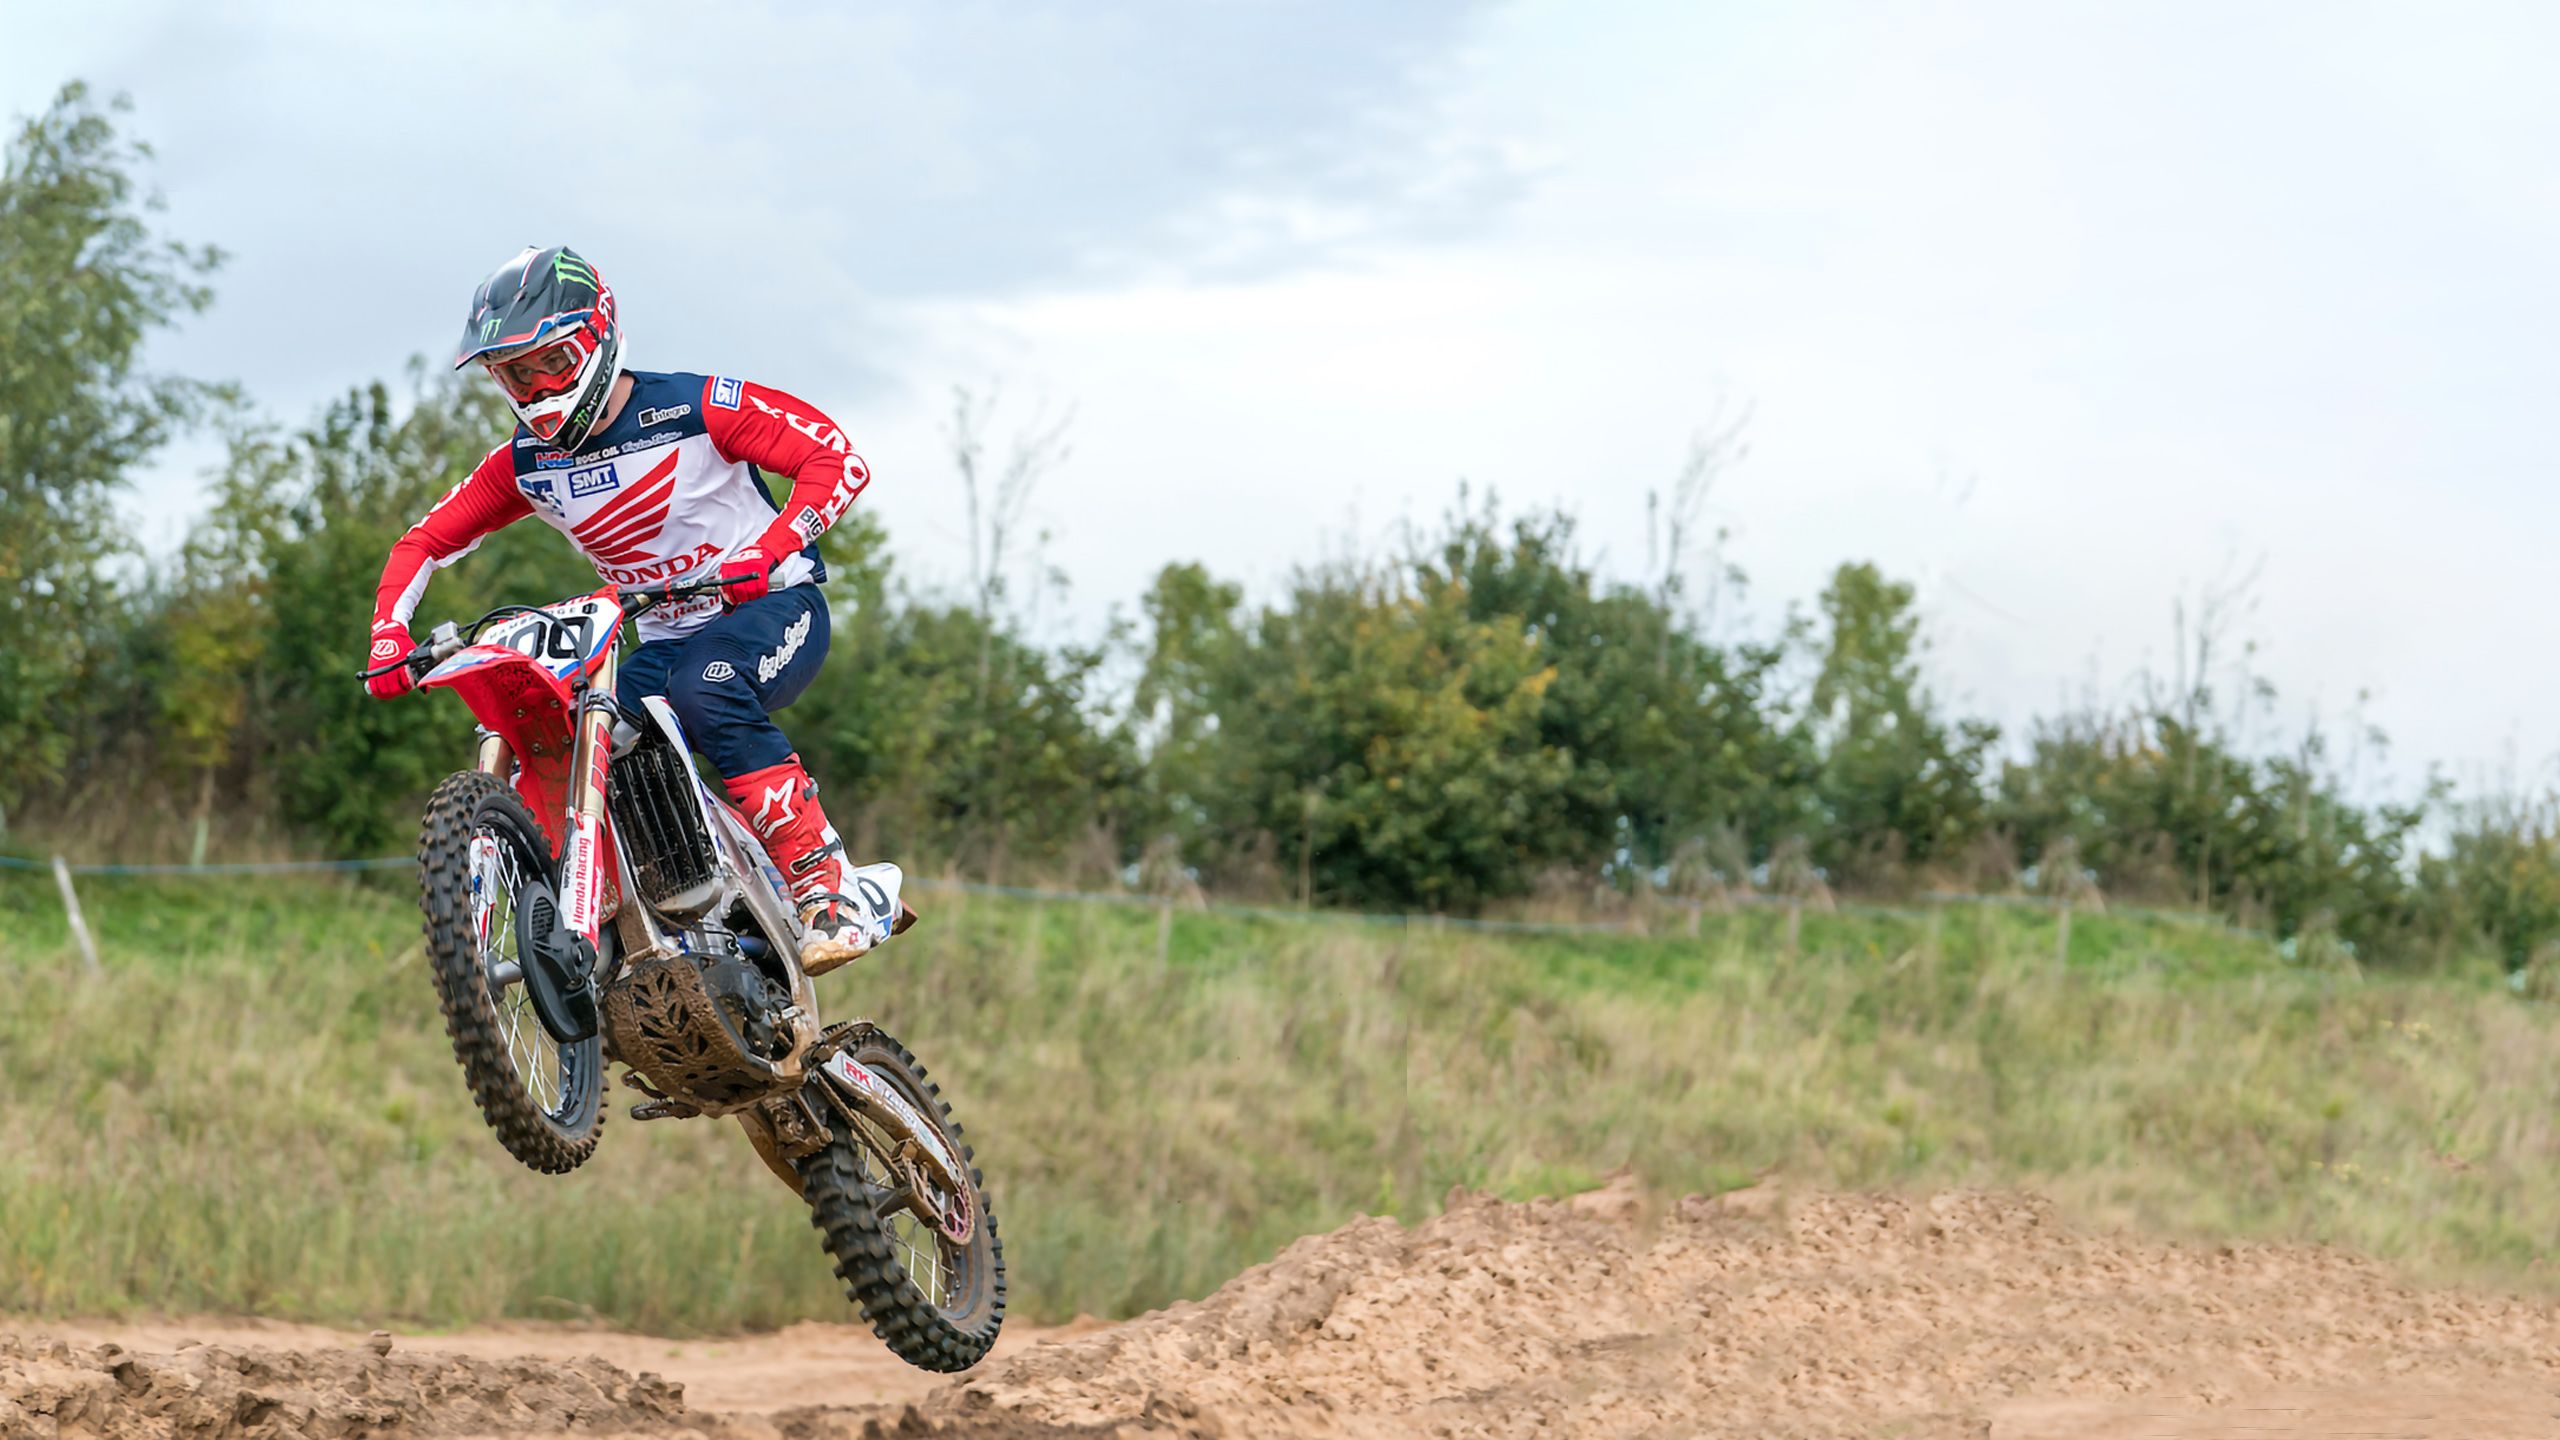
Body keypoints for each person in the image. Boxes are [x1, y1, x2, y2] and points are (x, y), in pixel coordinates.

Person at [364, 244, 878, 970]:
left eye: (554, 361)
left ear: (600, 337)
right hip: (663, 638)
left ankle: (827, 886)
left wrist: (770, 546)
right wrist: (389, 634)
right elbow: (421, 542)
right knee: (574, 735)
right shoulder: (527, 462)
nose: (538, 386)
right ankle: (633, 917)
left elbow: (836, 459)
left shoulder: (695, 406)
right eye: (515, 372)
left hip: (774, 608)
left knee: (710, 687)